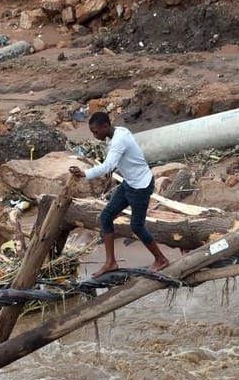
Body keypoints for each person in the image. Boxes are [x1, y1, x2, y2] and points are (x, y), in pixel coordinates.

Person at [68, 112, 169, 277]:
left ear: (105, 126)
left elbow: (108, 166)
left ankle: (161, 259)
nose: (94, 136)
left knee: (137, 226)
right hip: (130, 183)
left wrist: (84, 173)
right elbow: (119, 159)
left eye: (95, 131)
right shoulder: (119, 132)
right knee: (106, 216)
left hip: (140, 186)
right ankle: (111, 263)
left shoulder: (119, 140)